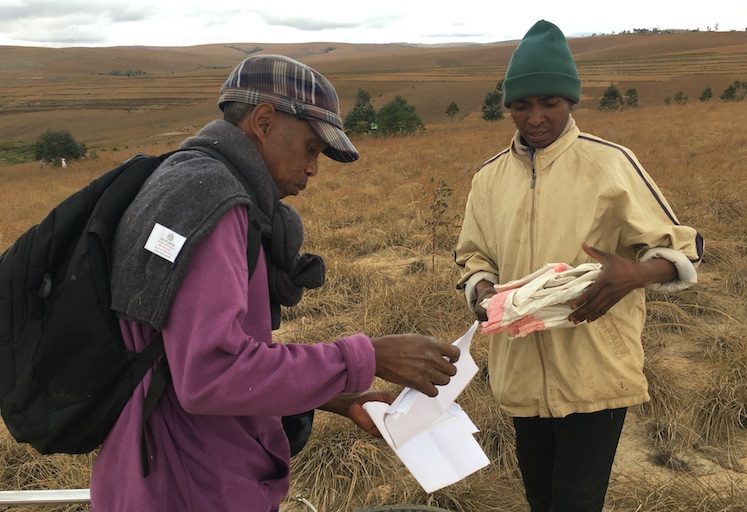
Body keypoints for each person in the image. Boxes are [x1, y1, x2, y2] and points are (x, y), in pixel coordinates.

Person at [90, 54, 460, 512]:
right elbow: (209, 374)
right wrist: (369, 355)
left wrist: (338, 397)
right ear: (264, 121)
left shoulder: (184, 184)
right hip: (191, 488)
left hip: (161, 473)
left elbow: (180, 357)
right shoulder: (215, 205)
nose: (313, 168)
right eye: (309, 148)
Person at [454, 20, 703, 512]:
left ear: (571, 102)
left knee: (577, 501)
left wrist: (635, 274)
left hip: (596, 370)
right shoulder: (488, 178)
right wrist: (484, 290)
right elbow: (473, 256)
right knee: (540, 496)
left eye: (550, 102)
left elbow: (684, 247)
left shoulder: (610, 164)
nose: (536, 117)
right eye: (522, 105)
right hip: (520, 369)